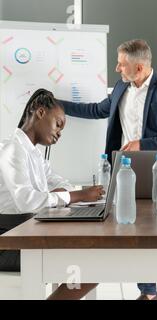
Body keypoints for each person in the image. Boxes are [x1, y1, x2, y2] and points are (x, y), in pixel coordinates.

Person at [58, 39, 157, 300]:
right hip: (126, 169)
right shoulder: (121, 87)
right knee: (137, 226)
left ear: (139, 67)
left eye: (121, 64)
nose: (117, 68)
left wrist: (143, 143)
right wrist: (57, 104)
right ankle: (148, 292)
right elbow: (97, 110)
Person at [0, 89, 103, 299]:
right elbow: (27, 202)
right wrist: (79, 196)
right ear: (40, 113)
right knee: (91, 263)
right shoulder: (12, 149)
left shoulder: (35, 154)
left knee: (93, 258)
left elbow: (61, 183)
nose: (59, 133)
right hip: (9, 243)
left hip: (28, 235)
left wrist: (62, 194)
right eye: (58, 124)